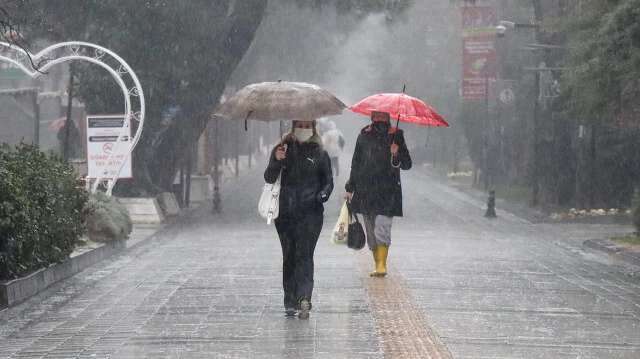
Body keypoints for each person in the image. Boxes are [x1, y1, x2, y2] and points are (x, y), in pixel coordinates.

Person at [264, 119, 334, 319]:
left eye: (307, 125)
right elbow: (269, 177)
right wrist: (277, 160)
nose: (303, 129)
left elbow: (328, 182)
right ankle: (290, 300)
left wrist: (321, 196)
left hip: (311, 213)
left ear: (313, 128)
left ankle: (304, 297)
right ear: (293, 126)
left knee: (305, 254)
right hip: (285, 212)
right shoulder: (282, 149)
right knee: (289, 256)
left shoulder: (320, 154)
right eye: (299, 125)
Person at [344, 111, 412, 277]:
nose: (380, 119)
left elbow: (407, 164)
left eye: (383, 116)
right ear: (372, 117)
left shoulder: (397, 135)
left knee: (382, 226)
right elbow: (356, 163)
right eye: (377, 116)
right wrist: (350, 187)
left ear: (388, 118)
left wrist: (397, 153)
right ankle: (377, 263)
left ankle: (382, 265)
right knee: (371, 230)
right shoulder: (363, 135)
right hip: (366, 190)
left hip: (388, 191)